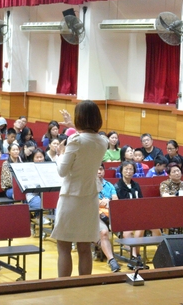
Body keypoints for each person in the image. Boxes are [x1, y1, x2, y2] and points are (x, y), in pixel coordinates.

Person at [51, 101, 108, 278]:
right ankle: (85, 287)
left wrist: (59, 154)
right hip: (90, 197)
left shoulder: (75, 140)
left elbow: (62, 171)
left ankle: (64, 286)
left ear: (79, 118)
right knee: (85, 247)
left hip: (71, 197)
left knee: (64, 246)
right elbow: (89, 137)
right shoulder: (103, 141)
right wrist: (73, 126)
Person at [114, 161, 147, 268]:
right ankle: (135, 257)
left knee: (141, 229)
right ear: (121, 171)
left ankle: (135, 257)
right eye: (126, 169)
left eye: (131, 169)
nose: (128, 171)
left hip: (137, 214)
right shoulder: (117, 186)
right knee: (128, 232)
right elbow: (117, 206)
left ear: (134, 171)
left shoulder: (136, 185)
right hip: (123, 216)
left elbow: (141, 201)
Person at [97, 164, 121, 272]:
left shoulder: (109, 185)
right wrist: (98, 203)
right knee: (104, 232)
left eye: (101, 169)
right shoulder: (88, 185)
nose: (99, 172)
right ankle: (112, 260)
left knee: (127, 230)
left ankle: (134, 256)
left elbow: (115, 200)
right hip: (95, 216)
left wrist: (108, 201)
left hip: (110, 214)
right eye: (96, 170)